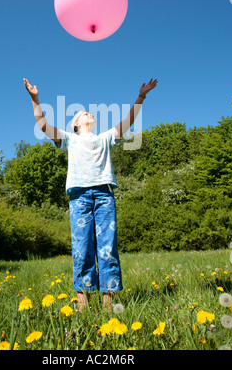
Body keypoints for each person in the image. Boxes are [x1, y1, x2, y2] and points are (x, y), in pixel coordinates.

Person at [23, 77, 158, 311]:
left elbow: (128, 121)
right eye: (83, 113)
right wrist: (35, 99)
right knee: (82, 247)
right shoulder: (69, 139)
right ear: (75, 124)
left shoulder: (105, 138)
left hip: (104, 195)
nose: (89, 113)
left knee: (107, 247)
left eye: (90, 112)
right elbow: (43, 125)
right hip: (79, 198)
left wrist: (141, 97)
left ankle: (108, 306)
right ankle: (83, 305)